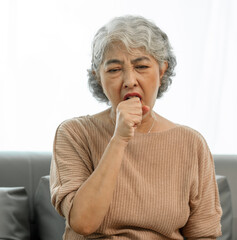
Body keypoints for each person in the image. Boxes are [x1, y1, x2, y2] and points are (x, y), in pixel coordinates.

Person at [50, 15, 222, 240]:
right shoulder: (74, 133)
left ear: (161, 71)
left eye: (141, 66)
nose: (130, 80)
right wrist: (119, 139)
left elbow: (204, 234)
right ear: (98, 77)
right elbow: (83, 222)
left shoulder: (191, 143)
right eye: (114, 70)